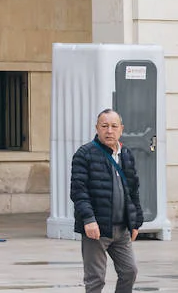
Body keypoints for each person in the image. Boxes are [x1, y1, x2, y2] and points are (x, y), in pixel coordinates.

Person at [71, 108, 143, 293]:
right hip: (97, 228)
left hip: (122, 229)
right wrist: (89, 220)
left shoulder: (126, 154)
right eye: (104, 126)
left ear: (121, 129)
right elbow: (79, 191)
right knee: (96, 280)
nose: (109, 130)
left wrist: (135, 222)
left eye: (113, 126)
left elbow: (133, 190)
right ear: (97, 128)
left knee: (129, 271)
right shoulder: (85, 154)